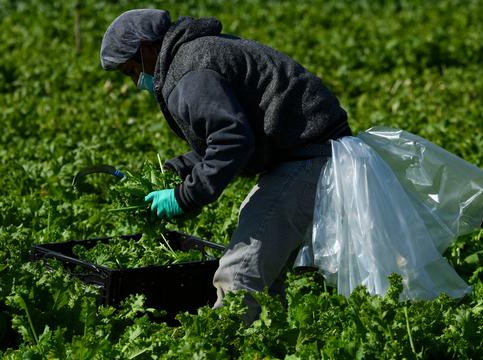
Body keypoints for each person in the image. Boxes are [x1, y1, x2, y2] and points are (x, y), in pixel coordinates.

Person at [100, 9, 352, 321]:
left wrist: (183, 197)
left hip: (309, 156)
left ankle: (224, 342)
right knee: (262, 268)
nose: (135, 80)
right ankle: (265, 339)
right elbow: (223, 138)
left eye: (131, 70)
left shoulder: (189, 72)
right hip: (304, 152)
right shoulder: (192, 57)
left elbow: (233, 140)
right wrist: (175, 171)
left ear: (147, 49)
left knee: (238, 271)